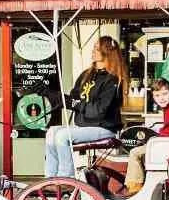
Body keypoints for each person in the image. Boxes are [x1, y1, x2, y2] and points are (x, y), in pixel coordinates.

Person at [43, 36, 126, 178]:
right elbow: (73, 101)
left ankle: (66, 178)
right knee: (51, 132)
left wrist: (77, 104)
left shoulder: (112, 80)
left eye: (97, 48)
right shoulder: (85, 75)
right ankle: (50, 178)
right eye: (93, 47)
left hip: (105, 128)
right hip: (84, 126)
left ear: (107, 52)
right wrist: (50, 94)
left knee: (63, 136)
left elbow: (98, 111)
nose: (93, 51)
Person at [122, 78, 169, 195]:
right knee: (141, 147)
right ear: (153, 97)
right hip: (166, 143)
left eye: (165, 94)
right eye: (157, 95)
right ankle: (139, 182)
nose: (162, 98)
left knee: (134, 152)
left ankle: (134, 186)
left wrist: (161, 139)